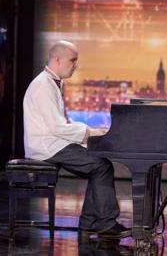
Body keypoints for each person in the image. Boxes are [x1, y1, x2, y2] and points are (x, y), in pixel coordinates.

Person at [23, 40, 131, 239]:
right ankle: (104, 224)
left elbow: (62, 121)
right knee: (101, 166)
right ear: (57, 59)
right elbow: (57, 127)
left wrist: (89, 135)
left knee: (100, 166)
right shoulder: (43, 86)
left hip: (54, 143)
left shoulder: (52, 83)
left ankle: (90, 224)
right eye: (73, 60)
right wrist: (89, 133)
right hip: (47, 147)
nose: (76, 65)